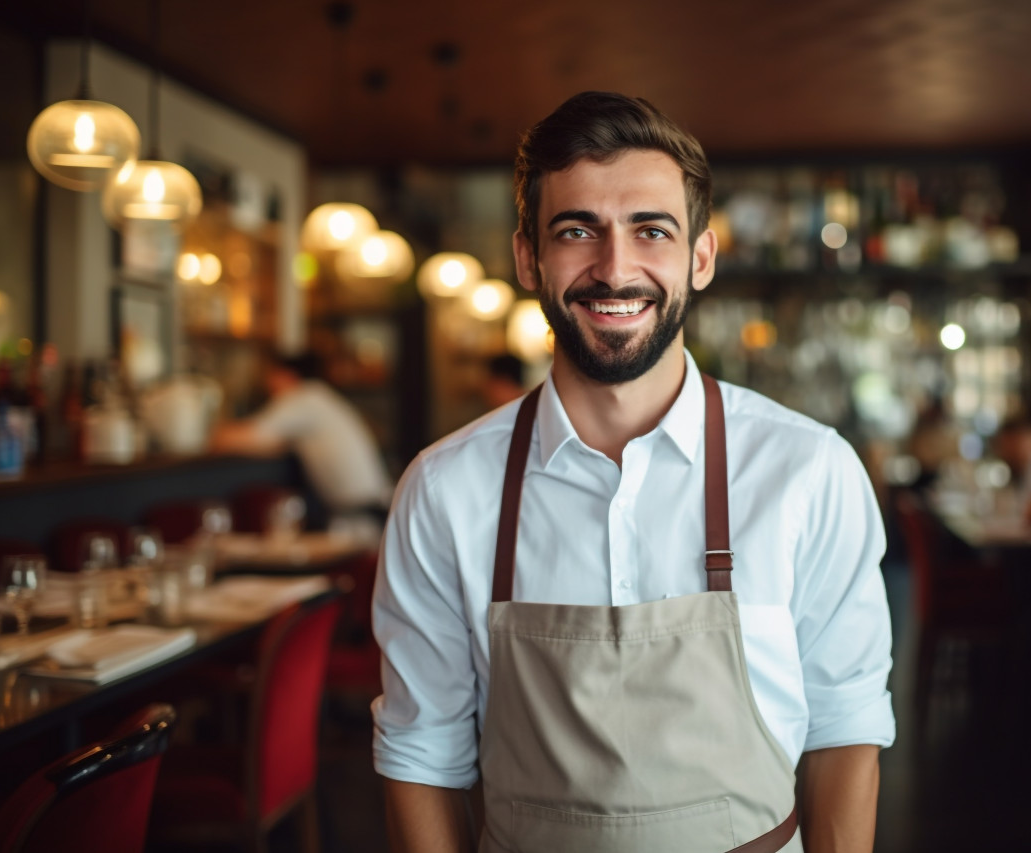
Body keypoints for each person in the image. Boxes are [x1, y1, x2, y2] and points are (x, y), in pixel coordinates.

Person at [373, 92, 893, 853]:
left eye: (651, 230)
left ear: (700, 257)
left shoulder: (810, 469)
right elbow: (422, 753)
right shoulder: (443, 489)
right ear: (528, 257)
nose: (615, 269)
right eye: (577, 230)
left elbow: (845, 726)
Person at [211, 350, 393, 539]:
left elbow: (241, 438)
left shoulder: (303, 399)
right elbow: (272, 443)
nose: (267, 384)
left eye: (271, 376)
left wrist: (206, 430)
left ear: (286, 375)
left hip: (360, 521)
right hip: (368, 514)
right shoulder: (319, 397)